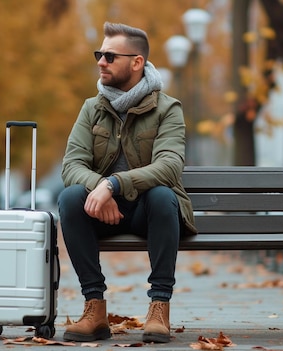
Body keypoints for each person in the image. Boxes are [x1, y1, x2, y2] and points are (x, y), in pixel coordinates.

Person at [58, 22, 197, 344]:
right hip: (101, 212)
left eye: (109, 56)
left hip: (149, 213)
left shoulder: (167, 109)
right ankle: (94, 308)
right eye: (99, 54)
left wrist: (114, 185)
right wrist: (100, 190)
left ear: (136, 62)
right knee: (69, 198)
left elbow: (169, 166)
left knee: (163, 196)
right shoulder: (92, 108)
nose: (100, 62)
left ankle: (159, 306)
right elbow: (72, 165)